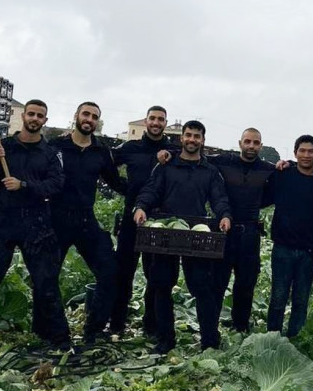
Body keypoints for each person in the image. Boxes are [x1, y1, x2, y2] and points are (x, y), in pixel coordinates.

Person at [0, 99, 70, 348]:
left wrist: (23, 185)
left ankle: (60, 341)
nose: (35, 119)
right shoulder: (5, 148)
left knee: (46, 285)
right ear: (24, 116)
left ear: (45, 121)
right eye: (31, 114)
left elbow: (56, 186)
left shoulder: (50, 154)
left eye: (40, 116)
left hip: (37, 226)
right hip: (3, 223)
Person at [133, 120, 232, 353]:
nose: (192, 140)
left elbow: (219, 198)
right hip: (166, 231)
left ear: (203, 140)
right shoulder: (166, 166)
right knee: (161, 285)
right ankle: (165, 339)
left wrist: (225, 215)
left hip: (196, 234)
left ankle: (209, 340)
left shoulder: (209, 171)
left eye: (197, 136)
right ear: (181, 138)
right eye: (188, 135)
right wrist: (141, 207)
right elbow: (151, 190)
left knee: (202, 287)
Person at [49, 101, 126, 344]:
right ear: (76, 116)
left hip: (86, 221)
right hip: (56, 220)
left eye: (94, 116)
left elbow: (117, 183)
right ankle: (56, 333)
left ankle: (92, 331)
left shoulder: (101, 152)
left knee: (110, 273)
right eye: (86, 114)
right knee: (47, 278)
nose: (89, 119)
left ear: (97, 122)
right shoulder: (56, 147)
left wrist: (149, 197)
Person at [111, 105, 173, 336]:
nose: (156, 123)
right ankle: (116, 324)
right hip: (131, 220)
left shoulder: (172, 150)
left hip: (158, 221)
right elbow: (107, 167)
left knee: (155, 275)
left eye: (161, 119)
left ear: (165, 123)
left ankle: (150, 326)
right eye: (152, 118)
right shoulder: (131, 148)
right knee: (123, 273)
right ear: (146, 121)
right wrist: (125, 189)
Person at [208, 128, 275, 333]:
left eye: (255, 143)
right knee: (217, 282)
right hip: (224, 230)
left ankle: (240, 327)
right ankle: (210, 328)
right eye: (247, 142)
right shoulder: (223, 161)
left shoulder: (268, 169)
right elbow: (194, 155)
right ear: (240, 143)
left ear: (260, 146)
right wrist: (169, 153)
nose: (251, 146)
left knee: (246, 283)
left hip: (250, 233)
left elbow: (282, 182)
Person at [264, 135, 313, 337]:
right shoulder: (283, 175)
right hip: (283, 248)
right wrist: (280, 165)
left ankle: (295, 338)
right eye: (302, 151)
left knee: (301, 300)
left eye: (311, 151)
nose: (306, 155)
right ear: (295, 153)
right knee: (278, 297)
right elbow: (263, 192)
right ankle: (273, 338)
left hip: (309, 251)